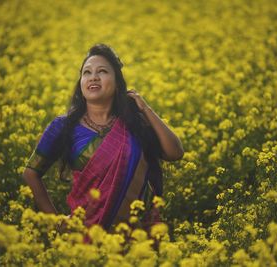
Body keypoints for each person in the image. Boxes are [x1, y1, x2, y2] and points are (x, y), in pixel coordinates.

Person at [22, 44, 184, 235]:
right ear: (81, 83)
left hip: (139, 236)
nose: (93, 77)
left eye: (102, 71)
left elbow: (175, 153)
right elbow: (30, 173)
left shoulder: (134, 123)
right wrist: (56, 222)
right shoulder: (64, 126)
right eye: (87, 72)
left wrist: (146, 109)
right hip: (86, 235)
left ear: (117, 83)